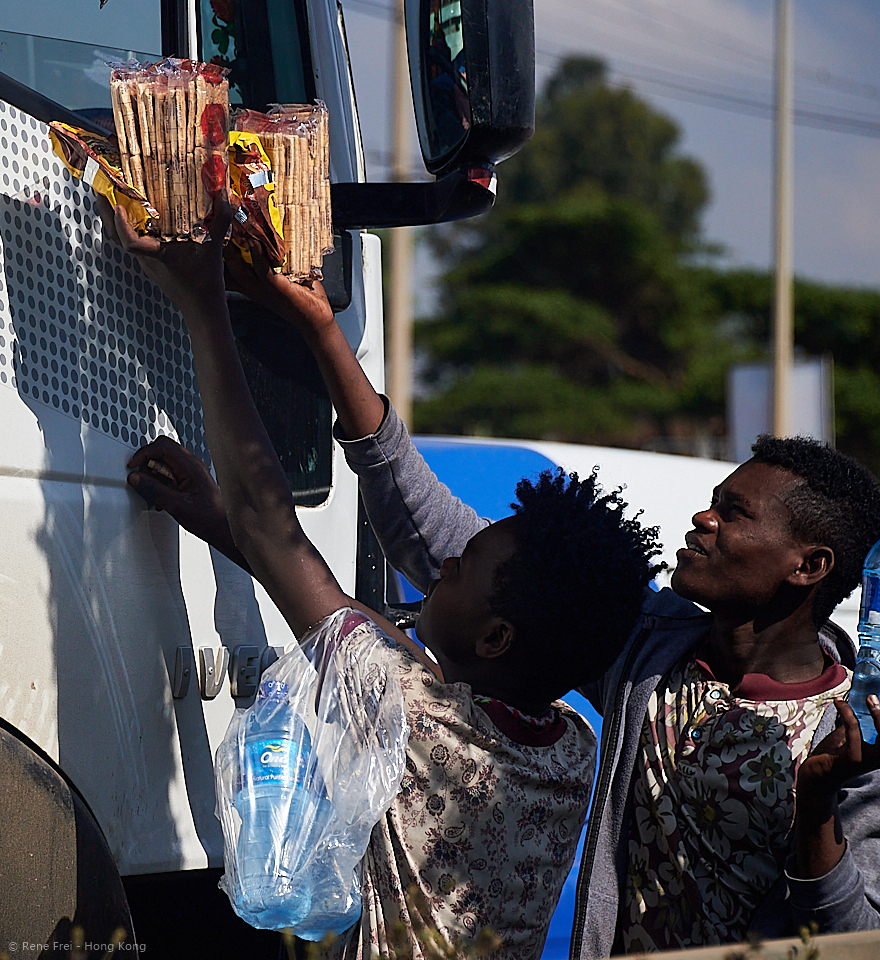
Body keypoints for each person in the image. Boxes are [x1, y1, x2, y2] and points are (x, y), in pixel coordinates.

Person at [180, 250, 880, 952]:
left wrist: (815, 809)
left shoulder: (863, 732)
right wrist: (322, 333)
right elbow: (433, 539)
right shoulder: (642, 660)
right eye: (710, 502)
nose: (703, 520)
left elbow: (858, 939)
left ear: (809, 566)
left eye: (732, 514)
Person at [104, 200, 664, 960]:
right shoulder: (566, 748)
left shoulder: (410, 711)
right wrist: (221, 523)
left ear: (496, 637)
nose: (447, 561)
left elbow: (284, 541)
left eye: (464, 566)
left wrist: (203, 301)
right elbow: (354, 616)